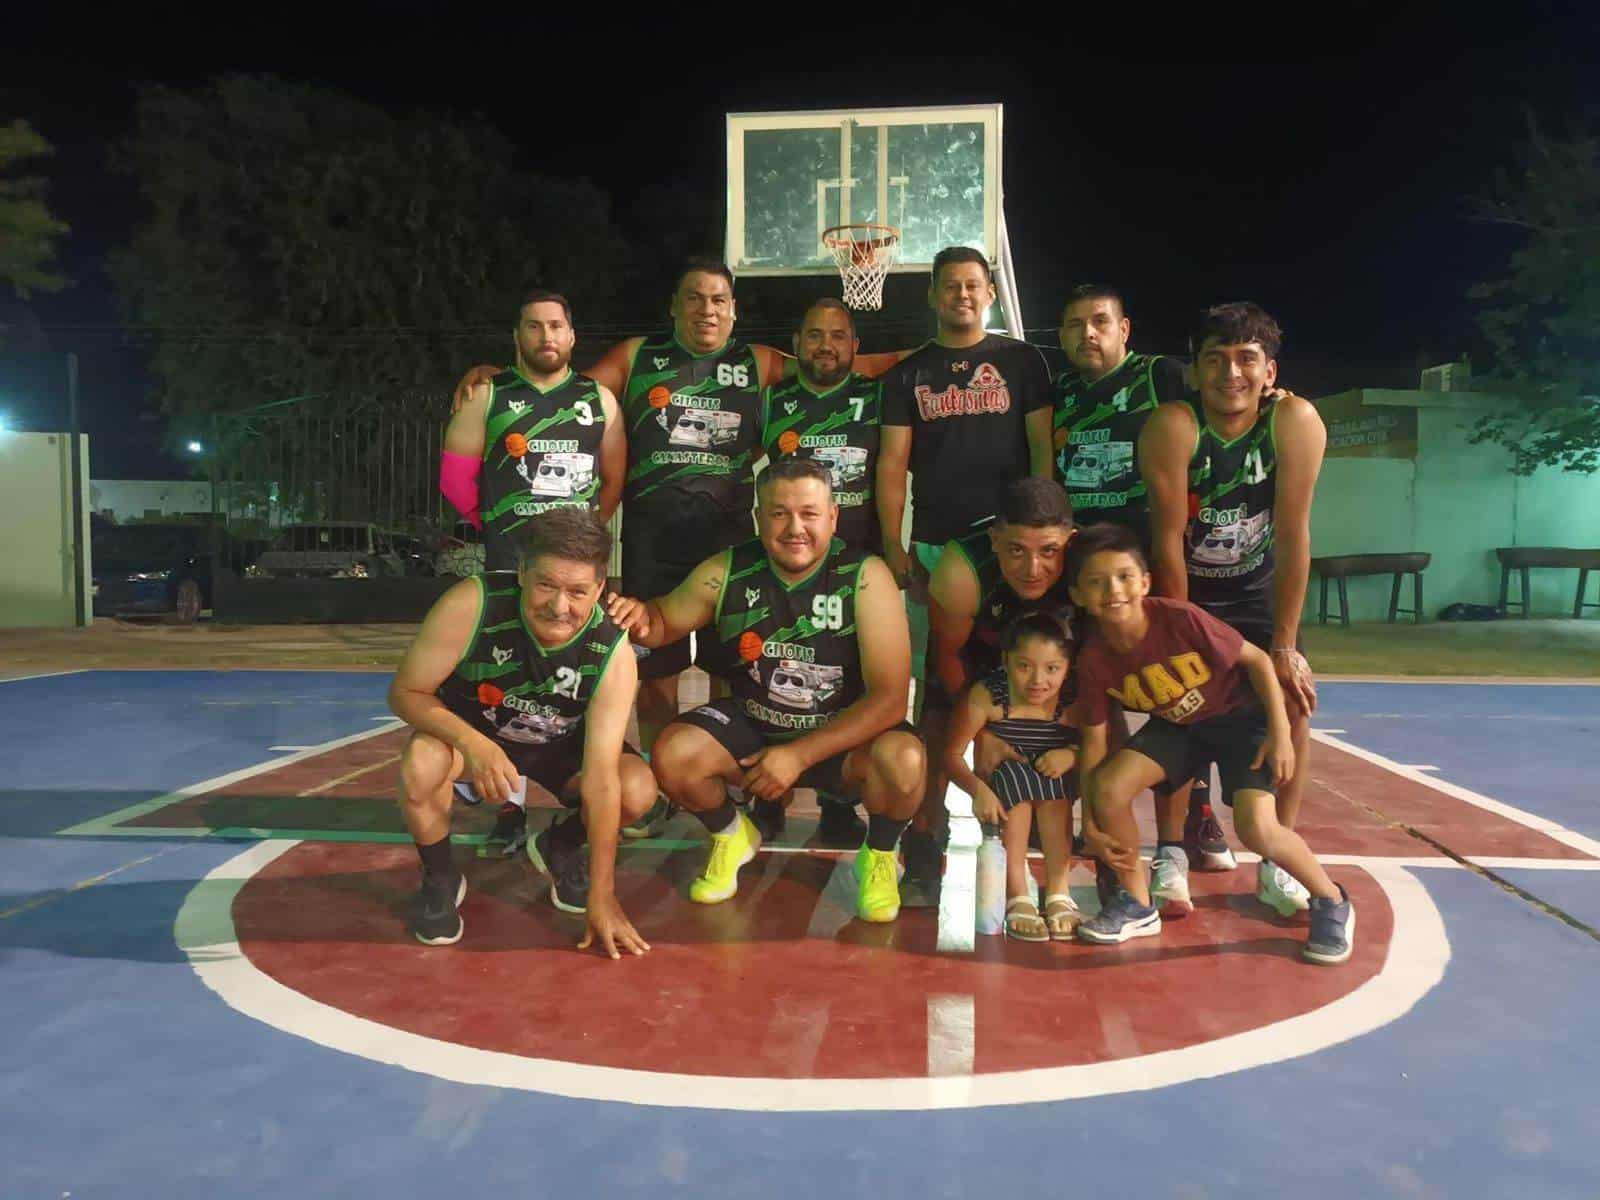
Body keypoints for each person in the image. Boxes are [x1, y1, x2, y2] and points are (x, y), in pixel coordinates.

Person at [606, 458, 924, 922]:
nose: (795, 528)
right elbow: (661, 622)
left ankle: (879, 855)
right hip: (756, 732)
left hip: (840, 740)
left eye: (809, 514)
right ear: (758, 517)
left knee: (905, 761)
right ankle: (732, 835)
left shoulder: (865, 576)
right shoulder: (727, 570)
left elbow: (890, 699)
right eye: (779, 513)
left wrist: (797, 756)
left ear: (833, 516)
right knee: (674, 754)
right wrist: (636, 616)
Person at [1066, 523, 1354, 964]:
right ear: (1077, 594)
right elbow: (1093, 743)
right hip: (1182, 727)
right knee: (1107, 786)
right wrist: (1090, 822)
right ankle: (1137, 903)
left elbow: (1258, 661)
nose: (1113, 590)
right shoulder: (1093, 658)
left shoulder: (1179, 620)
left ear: (1145, 582)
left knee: (1256, 828)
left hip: (1241, 719)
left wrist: (1280, 733)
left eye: (1124, 577)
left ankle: (1331, 899)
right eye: (1097, 582)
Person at [387, 507, 655, 959]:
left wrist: (603, 895)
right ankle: (441, 877)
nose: (559, 606)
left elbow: (602, 778)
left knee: (636, 789)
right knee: (421, 764)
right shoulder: (473, 603)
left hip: (558, 745)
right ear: (522, 573)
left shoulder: (612, 648)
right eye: (546, 584)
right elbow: (406, 692)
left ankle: (559, 846)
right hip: (475, 732)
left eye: (577, 591)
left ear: (599, 590)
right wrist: (473, 743)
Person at [1138, 302, 1327, 919]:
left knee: (1293, 700)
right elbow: (1168, 538)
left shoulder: (1294, 421)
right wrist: (1180, 633)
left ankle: (1279, 857)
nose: (1231, 373)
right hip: (1190, 591)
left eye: (1247, 359)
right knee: (1179, 698)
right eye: (1215, 359)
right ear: (1195, 371)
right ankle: (1170, 851)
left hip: (1255, 592)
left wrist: (1285, 644)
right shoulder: (1174, 425)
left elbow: (1293, 534)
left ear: (1270, 371)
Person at [877, 246, 1054, 900]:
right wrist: (895, 546)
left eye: (972, 285)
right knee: (938, 702)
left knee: (1025, 696)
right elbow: (891, 465)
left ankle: (1023, 830)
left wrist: (1042, 532)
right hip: (934, 548)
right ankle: (925, 842)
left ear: (990, 294)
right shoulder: (908, 374)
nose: (961, 295)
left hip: (1013, 553)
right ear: (933, 295)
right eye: (950, 285)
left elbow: (1041, 450)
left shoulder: (1021, 362)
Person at [1053, 282, 1234, 877]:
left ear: (1124, 328)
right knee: (1097, 697)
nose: (1088, 333)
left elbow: (1228, 401)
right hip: (1086, 576)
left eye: (1100, 321)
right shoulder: (1060, 394)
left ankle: (1189, 822)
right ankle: (1101, 812)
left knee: (1174, 696)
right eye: (1075, 324)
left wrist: (1272, 397)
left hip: (1148, 573)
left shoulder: (1162, 376)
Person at [756, 297, 885, 846]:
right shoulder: (770, 401)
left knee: (845, 681)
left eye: (837, 336)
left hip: (857, 567)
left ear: (855, 346)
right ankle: (765, 793)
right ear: (797, 343)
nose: (825, 346)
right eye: (814, 335)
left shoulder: (877, 396)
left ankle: (838, 801)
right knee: (771, 674)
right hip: (784, 566)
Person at [440, 289, 625, 571]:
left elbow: (613, 482)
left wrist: (587, 531)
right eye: (534, 326)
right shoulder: (485, 396)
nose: (546, 336)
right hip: (509, 562)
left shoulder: (601, 399)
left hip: (576, 563)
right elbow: (454, 481)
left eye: (556, 326)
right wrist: (496, 525)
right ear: (517, 336)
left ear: (571, 336)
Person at [943, 612, 1080, 941]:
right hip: (1005, 787)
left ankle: (1058, 891)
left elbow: (1105, 747)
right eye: (1024, 666)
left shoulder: (1073, 700)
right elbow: (951, 755)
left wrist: (1073, 754)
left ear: (1068, 667)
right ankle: (1017, 893)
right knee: (1014, 776)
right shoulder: (989, 695)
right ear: (1005, 661)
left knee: (1054, 783)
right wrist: (978, 790)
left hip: (1055, 783)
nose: (1037, 680)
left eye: (1052, 669)